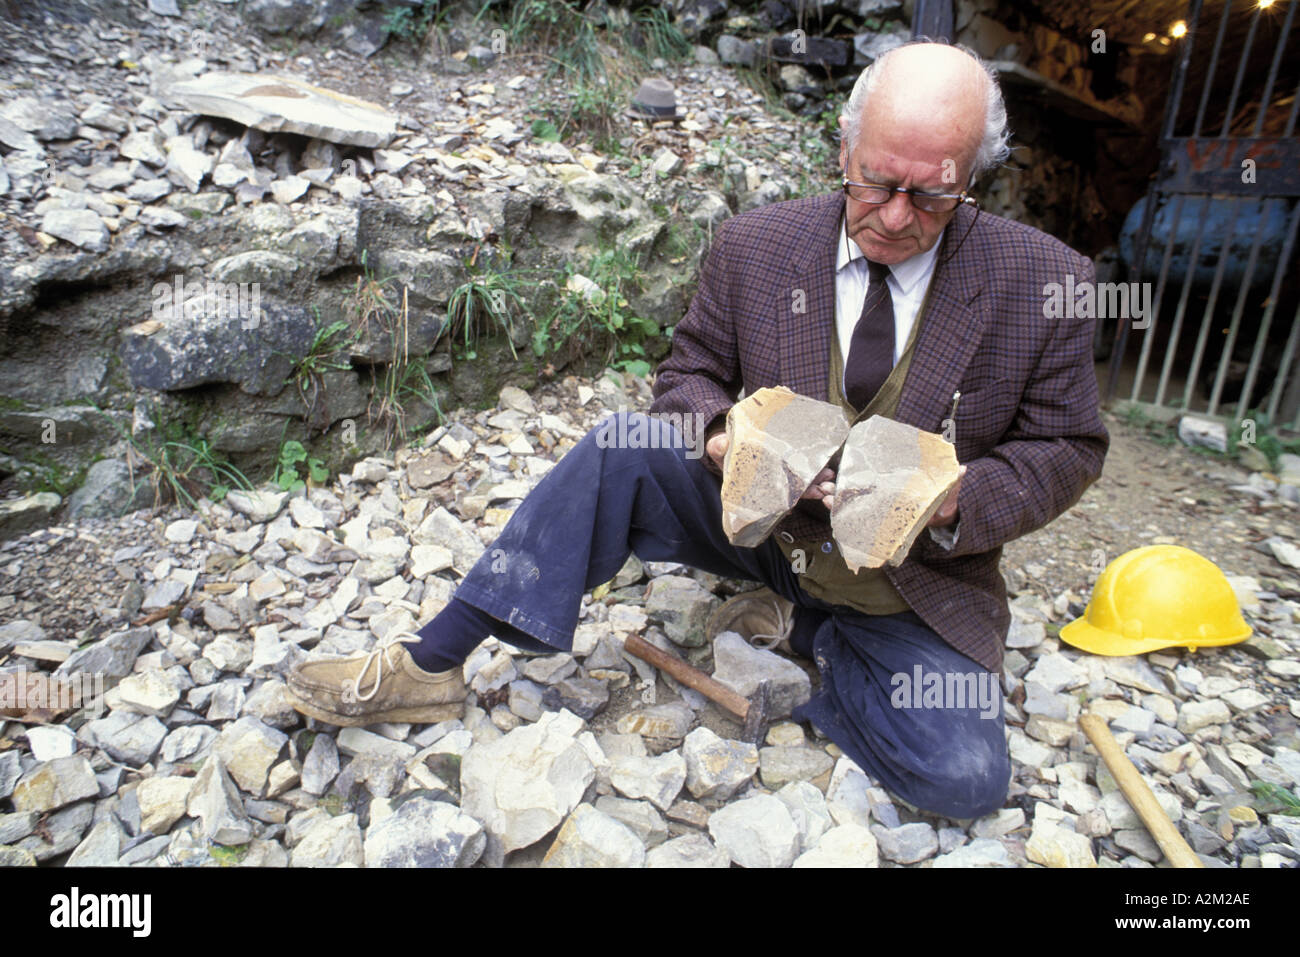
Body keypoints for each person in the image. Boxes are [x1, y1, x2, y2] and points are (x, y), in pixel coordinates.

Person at [286, 41, 1109, 821]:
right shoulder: (757, 245)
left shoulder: (1045, 281)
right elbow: (688, 375)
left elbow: (1067, 446)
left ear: (973, 178)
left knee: (965, 779)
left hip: (903, 582)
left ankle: (810, 635)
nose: (895, 216)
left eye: (932, 196)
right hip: (763, 526)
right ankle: (431, 660)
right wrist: (720, 439)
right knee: (620, 446)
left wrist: (951, 497)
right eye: (875, 182)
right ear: (845, 147)